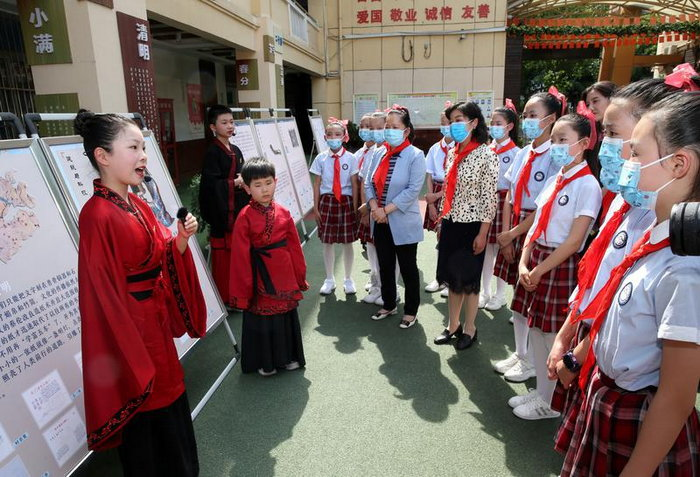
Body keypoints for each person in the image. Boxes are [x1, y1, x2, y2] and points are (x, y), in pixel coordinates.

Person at [558, 91, 700, 477]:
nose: (626, 161)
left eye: (636, 153)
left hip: (639, 414)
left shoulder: (685, 268)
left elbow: (675, 397)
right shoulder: (656, 236)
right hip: (608, 391)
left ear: (678, 164)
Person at [76, 110, 206, 476]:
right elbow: (101, 291)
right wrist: (128, 349)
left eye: (144, 147)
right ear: (102, 156)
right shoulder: (97, 215)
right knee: (148, 416)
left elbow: (162, 256)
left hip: (155, 324)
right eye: (133, 147)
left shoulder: (138, 204)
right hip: (132, 334)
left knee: (170, 408)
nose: (143, 156)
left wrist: (180, 238)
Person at [507, 113, 602, 420]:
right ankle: (541, 391)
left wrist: (538, 269)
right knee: (534, 326)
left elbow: (574, 241)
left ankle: (550, 403)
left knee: (551, 334)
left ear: (583, 144)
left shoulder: (588, 185)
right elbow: (535, 224)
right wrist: (524, 260)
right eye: (555, 139)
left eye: (564, 140)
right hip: (536, 260)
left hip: (558, 264)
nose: (557, 146)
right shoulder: (555, 179)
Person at [492, 89, 564, 383]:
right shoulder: (525, 152)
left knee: (531, 301)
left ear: (551, 119)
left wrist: (515, 233)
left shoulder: (555, 156)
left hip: (534, 228)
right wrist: (507, 233)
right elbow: (510, 195)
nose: (527, 121)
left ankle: (532, 361)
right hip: (516, 226)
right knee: (518, 300)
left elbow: (545, 206)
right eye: (525, 115)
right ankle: (521, 354)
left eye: (533, 115)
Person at [229, 157, 308, 376]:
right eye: (257, 185)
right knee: (263, 318)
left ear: (275, 181)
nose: (264, 189)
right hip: (259, 276)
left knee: (285, 316)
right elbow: (239, 258)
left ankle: (290, 358)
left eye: (268, 182)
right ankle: (267, 362)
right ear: (246, 188)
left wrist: (300, 276)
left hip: (284, 274)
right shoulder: (244, 217)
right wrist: (245, 290)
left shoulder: (283, 211)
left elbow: (294, 247)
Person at [431, 101, 498, 349]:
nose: (454, 125)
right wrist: (441, 222)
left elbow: (489, 198)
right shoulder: (452, 153)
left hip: (472, 227)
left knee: (469, 282)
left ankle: (470, 328)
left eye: (459, 119)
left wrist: (483, 233)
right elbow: (448, 190)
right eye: (451, 121)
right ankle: (453, 325)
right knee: (452, 279)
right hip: (450, 224)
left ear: (474, 122)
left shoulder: (487, 155)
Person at [365, 105, 426, 328]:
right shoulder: (378, 152)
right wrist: (374, 208)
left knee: (408, 269)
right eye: (387, 126)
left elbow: (412, 190)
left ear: (406, 131)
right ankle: (389, 303)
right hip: (379, 219)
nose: (389, 130)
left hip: (402, 221)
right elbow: (368, 182)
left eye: (395, 127)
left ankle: (411, 311)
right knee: (385, 265)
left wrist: (385, 210)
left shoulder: (415, 155)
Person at [198, 104, 250, 303]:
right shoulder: (212, 152)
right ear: (213, 127)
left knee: (240, 255)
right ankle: (227, 298)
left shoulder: (235, 148)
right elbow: (210, 186)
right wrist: (234, 182)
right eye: (224, 122)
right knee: (224, 259)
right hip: (222, 212)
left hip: (237, 207)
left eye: (231, 122)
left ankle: (240, 292)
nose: (229, 126)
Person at [310, 118, 359, 295]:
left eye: (337, 134)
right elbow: (317, 184)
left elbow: (354, 184)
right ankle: (329, 278)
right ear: (325, 137)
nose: (333, 137)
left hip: (345, 202)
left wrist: (354, 208)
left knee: (347, 243)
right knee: (327, 242)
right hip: (327, 202)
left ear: (344, 137)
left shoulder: (351, 158)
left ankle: (348, 278)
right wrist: (315, 207)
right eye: (329, 135)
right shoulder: (321, 158)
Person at [480, 100, 521, 311]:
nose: (494, 126)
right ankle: (485, 291)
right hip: (486, 203)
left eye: (499, 122)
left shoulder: (516, 153)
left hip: (504, 204)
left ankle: (500, 294)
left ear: (510, 127)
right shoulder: (487, 150)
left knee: (502, 250)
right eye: (492, 122)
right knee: (486, 249)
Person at [423, 106, 454, 294]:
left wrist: (437, 196)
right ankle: (439, 277)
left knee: (451, 236)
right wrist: (431, 201)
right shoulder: (435, 148)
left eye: (450, 123)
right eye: (443, 123)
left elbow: (456, 181)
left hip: (451, 193)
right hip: (435, 191)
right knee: (439, 235)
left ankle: (450, 278)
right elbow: (429, 175)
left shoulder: (460, 148)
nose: (446, 127)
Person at [356, 113, 380, 302]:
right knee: (370, 244)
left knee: (383, 247)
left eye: (373, 127)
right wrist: (366, 208)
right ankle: (375, 279)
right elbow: (364, 182)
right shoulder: (359, 154)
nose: (368, 131)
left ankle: (383, 283)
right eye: (364, 127)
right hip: (368, 206)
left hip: (381, 208)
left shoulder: (379, 152)